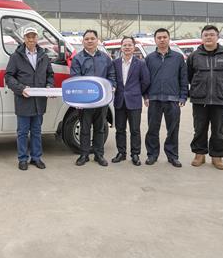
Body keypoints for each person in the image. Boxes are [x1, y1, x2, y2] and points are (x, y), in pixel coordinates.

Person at [187, 25, 223, 170]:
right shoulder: (194, 56)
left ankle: (217, 157)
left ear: (217, 37)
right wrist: (199, 87)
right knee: (199, 129)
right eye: (206, 35)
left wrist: (222, 87)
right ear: (201, 37)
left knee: (219, 130)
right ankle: (199, 155)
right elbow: (189, 76)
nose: (208, 37)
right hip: (200, 99)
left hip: (220, 99)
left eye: (211, 34)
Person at [5, 27, 55, 171]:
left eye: (33, 36)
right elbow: (8, 77)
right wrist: (21, 89)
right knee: (22, 132)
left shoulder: (44, 56)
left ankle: (36, 158)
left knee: (36, 131)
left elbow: (50, 74)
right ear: (24, 39)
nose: (31, 39)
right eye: (28, 37)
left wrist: (49, 85)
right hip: (23, 101)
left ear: (37, 38)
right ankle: (22, 159)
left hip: (39, 102)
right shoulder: (16, 56)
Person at [70, 29, 117, 167]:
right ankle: (84, 155)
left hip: (102, 100)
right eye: (87, 39)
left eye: (92, 38)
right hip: (86, 101)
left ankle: (99, 155)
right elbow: (75, 78)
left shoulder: (105, 58)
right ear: (83, 41)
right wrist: (78, 99)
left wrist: (112, 86)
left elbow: (111, 75)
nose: (89, 41)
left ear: (97, 40)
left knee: (100, 128)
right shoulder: (78, 58)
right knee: (85, 128)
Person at [144, 28, 188, 168]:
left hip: (173, 99)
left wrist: (183, 97)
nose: (162, 40)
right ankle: (152, 154)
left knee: (173, 129)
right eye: (159, 37)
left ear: (169, 39)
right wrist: (146, 95)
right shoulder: (149, 58)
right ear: (155, 40)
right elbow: (145, 79)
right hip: (154, 99)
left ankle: (172, 156)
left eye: (164, 37)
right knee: (152, 129)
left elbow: (183, 78)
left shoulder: (178, 57)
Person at [111, 36, 150, 166]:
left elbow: (145, 81)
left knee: (135, 129)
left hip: (134, 101)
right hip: (119, 101)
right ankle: (121, 153)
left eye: (130, 45)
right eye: (125, 45)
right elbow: (112, 79)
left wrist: (138, 92)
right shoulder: (115, 63)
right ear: (121, 47)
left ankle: (135, 154)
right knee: (120, 129)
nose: (127, 47)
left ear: (134, 47)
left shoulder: (140, 63)